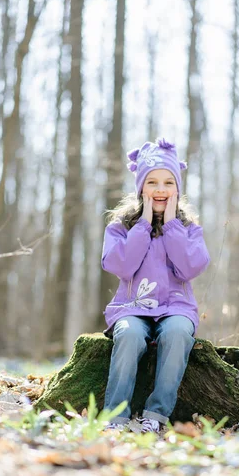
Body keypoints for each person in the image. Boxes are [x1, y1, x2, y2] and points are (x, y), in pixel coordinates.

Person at [101, 137, 210, 434]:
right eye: (152, 182)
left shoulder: (189, 228)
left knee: (176, 334)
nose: (160, 190)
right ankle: (115, 416)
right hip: (132, 307)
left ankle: (155, 415)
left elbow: (189, 268)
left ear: (177, 188)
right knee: (129, 335)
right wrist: (143, 226)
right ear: (140, 188)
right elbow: (121, 266)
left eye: (168, 183)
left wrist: (173, 226)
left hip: (176, 307)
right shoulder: (120, 227)